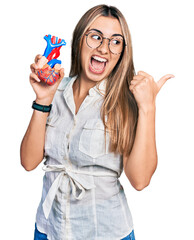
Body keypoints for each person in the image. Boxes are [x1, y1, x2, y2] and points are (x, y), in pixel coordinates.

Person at [20, 4, 174, 240]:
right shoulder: (56, 89)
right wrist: (43, 100)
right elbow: (29, 162)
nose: (104, 48)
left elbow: (140, 180)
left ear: (123, 51)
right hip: (49, 230)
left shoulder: (126, 102)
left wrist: (148, 107)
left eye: (115, 41)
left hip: (105, 233)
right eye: (95, 37)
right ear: (80, 40)